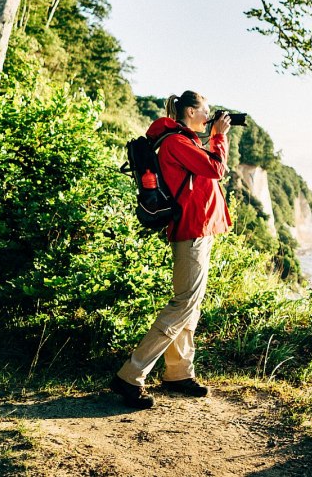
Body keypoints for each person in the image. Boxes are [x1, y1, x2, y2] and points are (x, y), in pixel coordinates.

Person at [110, 90, 232, 409]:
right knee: (183, 305)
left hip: (198, 230)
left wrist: (212, 137)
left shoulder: (182, 140)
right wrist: (219, 136)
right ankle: (130, 376)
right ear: (190, 112)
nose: (209, 116)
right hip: (191, 230)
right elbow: (216, 169)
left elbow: (202, 171)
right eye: (205, 111)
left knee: (190, 306)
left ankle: (178, 372)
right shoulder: (176, 141)